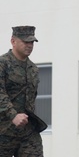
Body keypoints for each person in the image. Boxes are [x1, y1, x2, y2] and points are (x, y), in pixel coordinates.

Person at [0, 26, 46, 156]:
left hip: (28, 131)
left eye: (32, 42)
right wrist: (13, 115)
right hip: (3, 131)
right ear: (13, 41)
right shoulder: (3, 64)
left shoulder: (33, 69)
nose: (30, 45)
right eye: (26, 42)